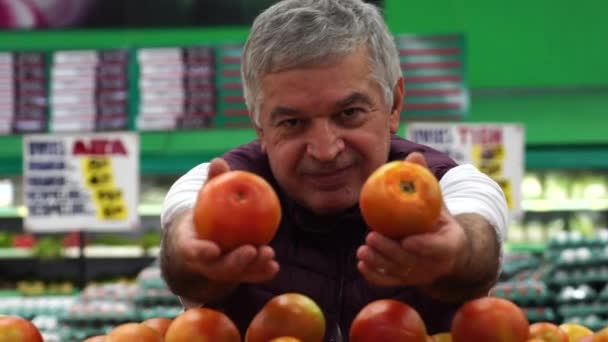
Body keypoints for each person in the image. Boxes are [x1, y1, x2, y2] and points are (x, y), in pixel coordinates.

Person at [159, 0, 508, 339]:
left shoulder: (449, 184)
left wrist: (456, 252)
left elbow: (477, 246)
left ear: (394, 104)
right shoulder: (214, 185)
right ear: (259, 125)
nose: (325, 151)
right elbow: (182, 249)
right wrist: (192, 253)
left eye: (349, 113)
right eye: (293, 122)